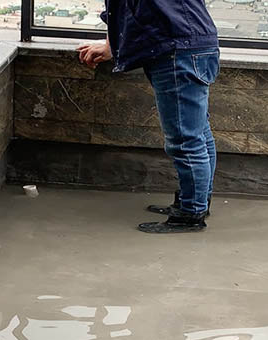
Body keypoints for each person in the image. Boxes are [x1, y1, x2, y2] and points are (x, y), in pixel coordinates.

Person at [78, 0, 219, 234]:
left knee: (186, 140)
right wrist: (111, 46)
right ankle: (196, 201)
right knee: (199, 133)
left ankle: (191, 213)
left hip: (177, 49)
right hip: (192, 44)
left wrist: (111, 46)